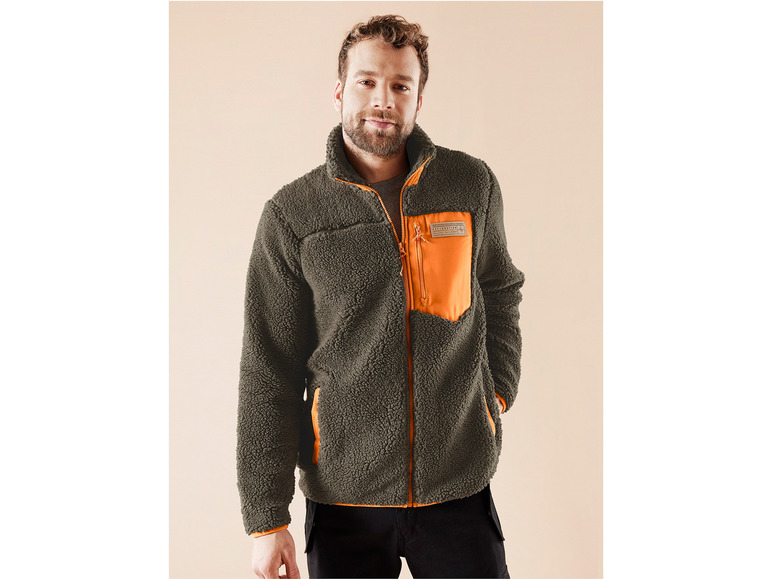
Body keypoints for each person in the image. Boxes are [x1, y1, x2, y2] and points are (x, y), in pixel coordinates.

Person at [236, 14, 525, 579]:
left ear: (418, 99)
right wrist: (266, 519)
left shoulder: (470, 185)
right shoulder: (293, 215)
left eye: (400, 85)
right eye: (367, 81)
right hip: (343, 496)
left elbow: (498, 287)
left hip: (459, 483)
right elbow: (268, 366)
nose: (383, 100)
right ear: (339, 91)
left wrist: (496, 392)